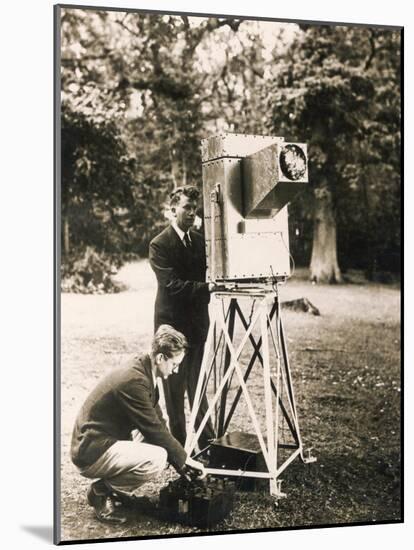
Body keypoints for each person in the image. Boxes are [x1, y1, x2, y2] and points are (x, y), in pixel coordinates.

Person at [71, 324, 206, 524]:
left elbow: (157, 421)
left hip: (102, 439)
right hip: (91, 450)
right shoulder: (135, 381)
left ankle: (110, 490)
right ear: (160, 358)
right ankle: (101, 491)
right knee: (158, 458)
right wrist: (186, 459)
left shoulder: (144, 369)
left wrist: (181, 464)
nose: (176, 371)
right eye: (175, 365)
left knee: (161, 443)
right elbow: (153, 428)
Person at [149, 185, 216, 451]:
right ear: (173, 209)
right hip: (171, 326)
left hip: (198, 325)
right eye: (186, 207)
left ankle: (209, 445)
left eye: (194, 208)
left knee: (198, 387)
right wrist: (206, 288)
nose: (191, 213)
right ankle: (178, 449)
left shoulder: (200, 241)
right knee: (174, 392)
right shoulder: (159, 244)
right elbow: (171, 285)